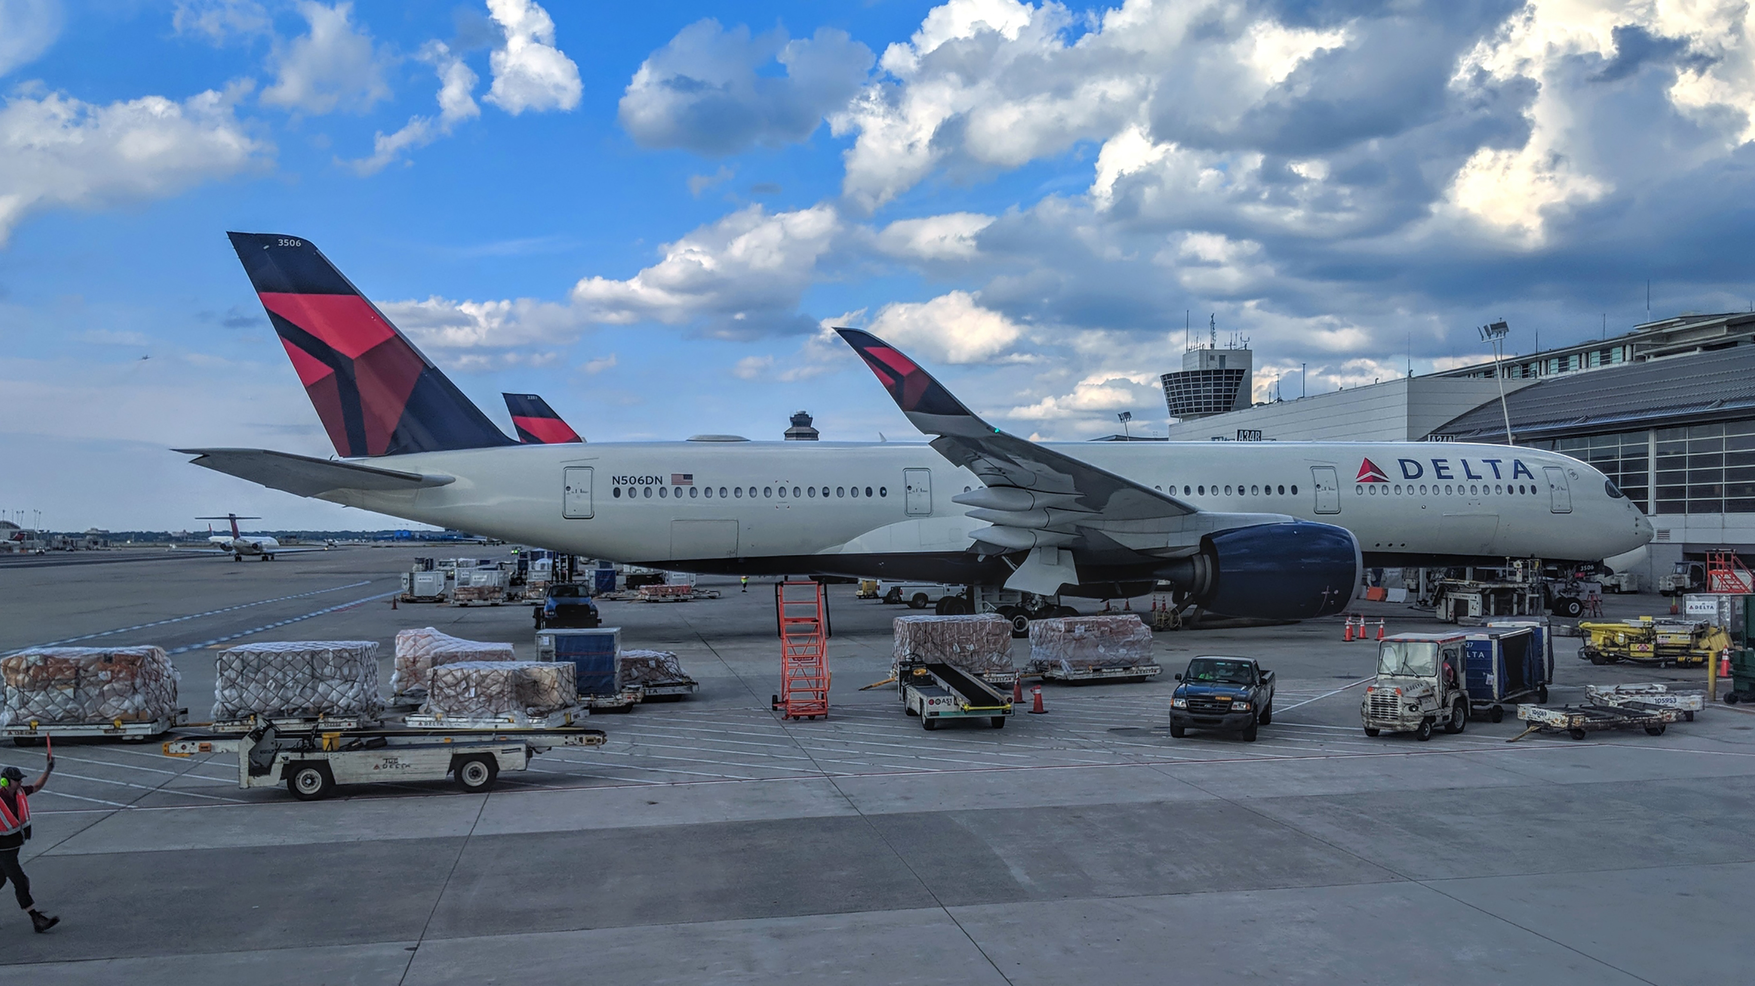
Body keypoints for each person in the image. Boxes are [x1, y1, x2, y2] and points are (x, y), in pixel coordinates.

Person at [0, 757, 58, 933]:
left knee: (1, 879)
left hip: (13, 846)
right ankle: (36, 918)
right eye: (17, 780)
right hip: (2, 849)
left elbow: (37, 786)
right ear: (5, 781)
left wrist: (48, 770)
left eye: (20, 779)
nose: (20, 782)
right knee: (20, 881)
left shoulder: (19, 793)